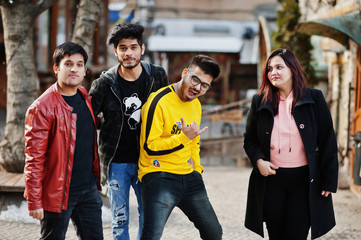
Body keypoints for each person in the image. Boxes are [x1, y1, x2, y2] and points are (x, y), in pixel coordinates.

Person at [243, 48, 339, 239]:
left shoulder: (314, 98)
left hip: (303, 181)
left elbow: (328, 140)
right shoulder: (259, 101)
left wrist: (329, 180)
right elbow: (250, 139)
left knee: (297, 234)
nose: (273, 72)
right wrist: (259, 161)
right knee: (276, 235)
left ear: (293, 69)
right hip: (271, 180)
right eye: (269, 69)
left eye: (279, 67)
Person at [89, 23, 168, 240]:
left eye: (133, 47)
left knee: (149, 216)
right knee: (120, 218)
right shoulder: (103, 84)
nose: (129, 53)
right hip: (116, 162)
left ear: (142, 48)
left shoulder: (158, 76)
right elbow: (87, 120)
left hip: (149, 160)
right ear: (115, 51)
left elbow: (168, 112)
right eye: (123, 48)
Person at [24, 42, 103, 239]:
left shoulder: (85, 97)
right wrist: (34, 201)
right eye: (68, 64)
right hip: (58, 192)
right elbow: (34, 158)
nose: (74, 69)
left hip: (88, 189)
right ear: (56, 68)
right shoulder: (42, 107)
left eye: (79, 64)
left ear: (85, 70)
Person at [138, 54, 223, 240]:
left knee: (214, 233)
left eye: (204, 85)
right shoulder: (158, 101)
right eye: (195, 79)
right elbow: (149, 146)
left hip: (189, 177)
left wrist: (198, 171)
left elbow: (194, 143)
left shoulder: (196, 105)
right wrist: (182, 138)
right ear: (185, 73)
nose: (198, 88)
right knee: (151, 236)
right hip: (159, 175)